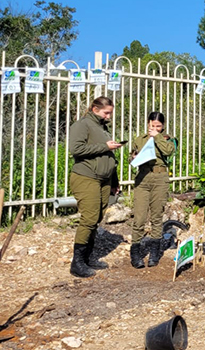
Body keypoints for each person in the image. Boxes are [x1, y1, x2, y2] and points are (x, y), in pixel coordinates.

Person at [68, 96, 124, 278]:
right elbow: (76, 149)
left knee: (97, 216)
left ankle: (87, 258)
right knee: (90, 217)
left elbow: (108, 157)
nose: (109, 116)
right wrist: (104, 146)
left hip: (104, 180)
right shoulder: (82, 125)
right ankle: (77, 263)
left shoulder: (101, 127)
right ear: (95, 109)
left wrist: (114, 181)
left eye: (110, 113)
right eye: (106, 112)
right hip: (86, 176)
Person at [129, 112, 175, 269]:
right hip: (143, 178)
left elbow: (169, 151)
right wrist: (133, 158)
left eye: (158, 126)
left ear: (162, 127)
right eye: (152, 126)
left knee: (156, 215)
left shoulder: (167, 139)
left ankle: (155, 251)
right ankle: (135, 252)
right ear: (147, 124)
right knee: (139, 217)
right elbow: (132, 156)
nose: (154, 128)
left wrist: (157, 137)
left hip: (159, 178)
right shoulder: (140, 139)